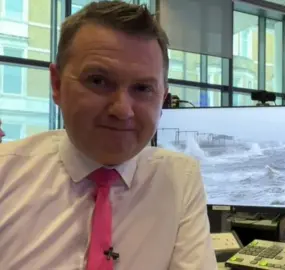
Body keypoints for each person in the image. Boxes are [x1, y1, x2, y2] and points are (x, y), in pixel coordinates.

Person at [0, 2, 216, 270]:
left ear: (163, 98)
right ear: (57, 85)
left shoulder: (179, 179)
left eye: (142, 88)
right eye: (98, 81)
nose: (122, 110)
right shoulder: (5, 172)